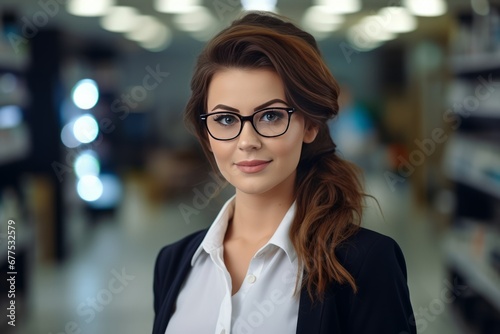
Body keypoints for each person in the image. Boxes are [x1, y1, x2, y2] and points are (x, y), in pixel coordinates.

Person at [153, 11, 416, 334]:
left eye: (270, 116)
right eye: (225, 120)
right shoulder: (173, 263)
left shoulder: (365, 262)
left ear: (310, 125)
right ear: (206, 133)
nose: (247, 141)